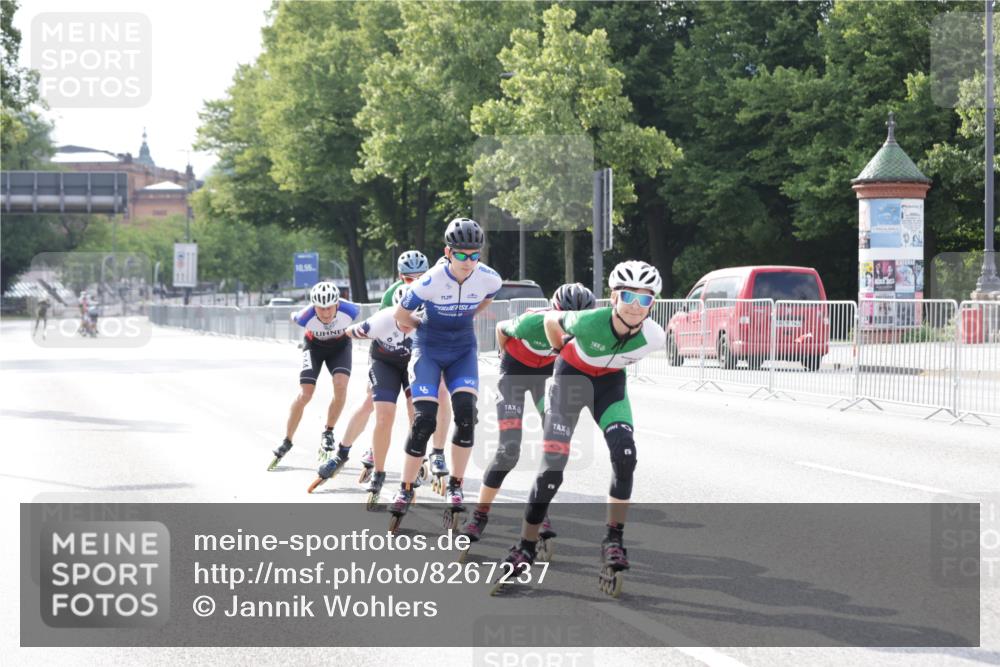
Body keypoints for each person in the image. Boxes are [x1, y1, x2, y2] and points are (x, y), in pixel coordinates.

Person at [491, 261, 665, 597]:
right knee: (552, 468)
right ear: (613, 297)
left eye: (643, 300)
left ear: (653, 304)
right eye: (627, 296)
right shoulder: (588, 322)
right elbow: (549, 319)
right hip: (570, 381)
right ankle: (525, 546)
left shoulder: (654, 336)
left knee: (625, 455)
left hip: (609, 389)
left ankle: (614, 540)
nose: (633, 305)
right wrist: (559, 350)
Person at [462, 283, 596, 550]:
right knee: (509, 449)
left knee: (554, 447)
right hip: (513, 374)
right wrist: (504, 357)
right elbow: (501, 329)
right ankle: (479, 514)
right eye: (564, 320)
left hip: (544, 379)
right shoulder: (531, 322)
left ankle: (539, 511)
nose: (569, 327)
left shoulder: (583, 330)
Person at [387, 218, 502, 530]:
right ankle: (406, 489)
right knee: (424, 419)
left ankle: (456, 486)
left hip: (463, 349)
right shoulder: (431, 279)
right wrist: (425, 326)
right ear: (448, 252)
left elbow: (488, 299)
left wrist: (463, 320)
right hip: (429, 348)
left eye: (474, 255)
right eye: (461, 255)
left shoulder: (489, 278)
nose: (468, 262)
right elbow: (399, 314)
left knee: (466, 414)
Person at [333, 251, 454, 475]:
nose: (415, 282)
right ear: (400, 277)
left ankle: (429, 452)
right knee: (372, 401)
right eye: (409, 278)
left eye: (420, 276)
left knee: (433, 398)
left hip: (417, 355)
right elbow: (382, 330)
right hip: (387, 352)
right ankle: (366, 448)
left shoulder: (433, 290)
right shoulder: (392, 296)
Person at [268, 282, 360, 470]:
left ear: (337, 305)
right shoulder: (304, 317)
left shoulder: (351, 311)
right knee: (306, 394)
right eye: (320, 309)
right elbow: (292, 315)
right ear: (313, 307)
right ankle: (287, 440)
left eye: (329, 308)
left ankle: (328, 431)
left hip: (340, 347)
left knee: (341, 385)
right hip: (314, 348)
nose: (325, 314)